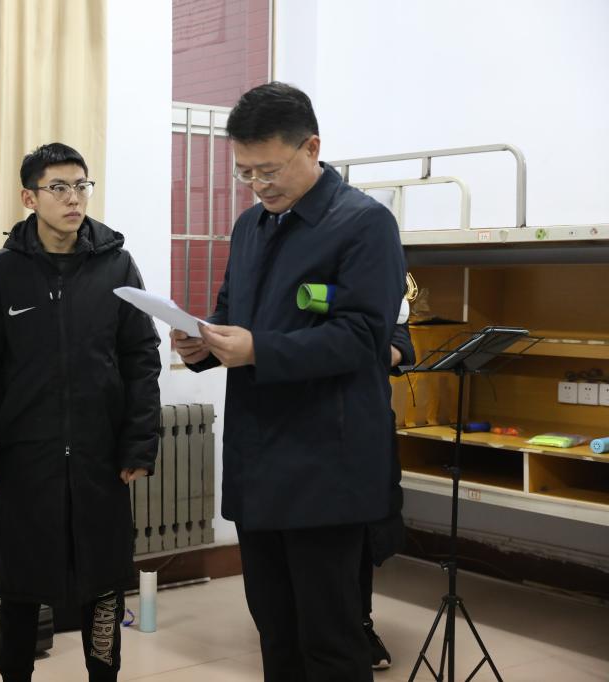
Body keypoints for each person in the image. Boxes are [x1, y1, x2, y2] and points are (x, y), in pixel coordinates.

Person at [172, 82, 406, 681]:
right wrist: (203, 345)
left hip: (325, 463)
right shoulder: (250, 227)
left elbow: (364, 337)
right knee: (275, 632)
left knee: (329, 639)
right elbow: (234, 313)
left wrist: (259, 349)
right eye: (245, 172)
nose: (258, 184)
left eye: (269, 170)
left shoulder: (364, 224)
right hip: (259, 460)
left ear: (312, 148)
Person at [0, 142, 161, 682]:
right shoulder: (1, 273)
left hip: (100, 458)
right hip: (25, 461)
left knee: (104, 584)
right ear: (30, 198)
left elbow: (141, 359)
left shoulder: (117, 265)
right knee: (20, 587)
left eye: (81, 186)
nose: (74, 199)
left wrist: (139, 444)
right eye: (59, 188)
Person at [363, 324, 416, 669]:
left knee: (362, 538)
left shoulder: (384, 295)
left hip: (368, 419)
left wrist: (356, 351)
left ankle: (361, 625)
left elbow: (401, 345)